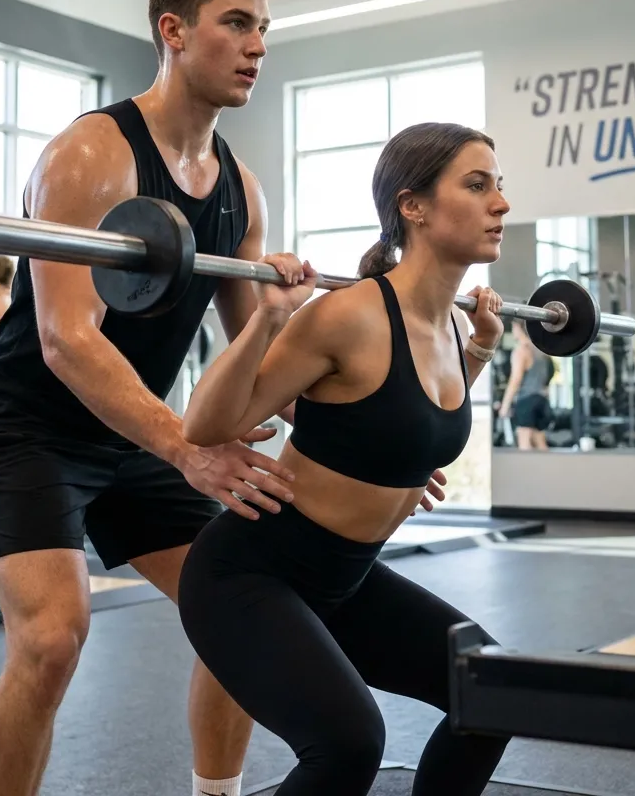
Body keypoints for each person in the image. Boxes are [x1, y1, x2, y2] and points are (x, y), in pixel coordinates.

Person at [0, 0, 446, 796]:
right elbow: (69, 340)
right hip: (33, 428)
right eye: (236, 24)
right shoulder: (92, 155)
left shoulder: (240, 192)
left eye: (263, 28)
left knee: (242, 605)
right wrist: (188, 447)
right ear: (174, 31)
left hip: (146, 430)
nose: (257, 45)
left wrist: (386, 437)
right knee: (51, 640)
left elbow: (264, 351)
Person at [177, 122, 513, 796]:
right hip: (249, 576)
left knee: (492, 688)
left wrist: (479, 351)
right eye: (477, 186)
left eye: (499, 187)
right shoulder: (347, 316)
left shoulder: (451, 324)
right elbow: (205, 425)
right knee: (349, 742)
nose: (500, 203)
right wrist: (269, 318)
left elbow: (408, 419)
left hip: (347, 579)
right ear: (411, 206)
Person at [498, 318, 553, 449]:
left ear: (519, 327)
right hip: (541, 400)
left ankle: (527, 470)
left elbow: (515, 379)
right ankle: (549, 469)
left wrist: (505, 405)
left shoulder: (521, 351)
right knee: (540, 441)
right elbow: (548, 376)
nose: (513, 331)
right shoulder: (542, 351)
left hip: (527, 400)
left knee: (524, 442)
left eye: (514, 328)